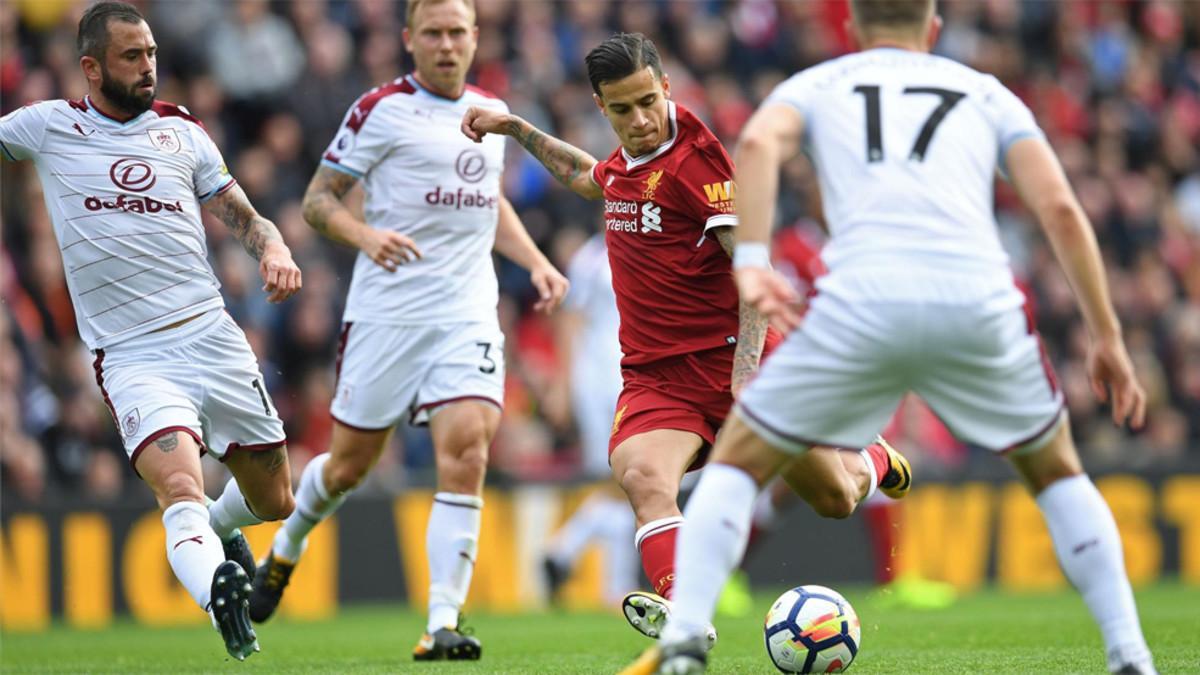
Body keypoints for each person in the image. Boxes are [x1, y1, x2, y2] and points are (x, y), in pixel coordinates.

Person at [622, 1, 1157, 673]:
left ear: (852, 30)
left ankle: (683, 645)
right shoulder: (987, 94)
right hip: (977, 302)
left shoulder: (819, 85)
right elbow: (1059, 208)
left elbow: (756, 146)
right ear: (932, 31)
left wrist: (753, 262)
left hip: (863, 301)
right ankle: (1131, 656)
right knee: (1058, 475)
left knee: (735, 464)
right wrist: (1106, 333)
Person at [462, 32, 911, 648]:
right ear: (601, 106)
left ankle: (876, 458)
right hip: (659, 378)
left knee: (836, 497)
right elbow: (588, 176)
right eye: (622, 110)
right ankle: (687, 624)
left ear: (666, 86)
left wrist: (748, 373)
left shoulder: (699, 160)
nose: (640, 120)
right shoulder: (626, 163)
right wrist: (516, 128)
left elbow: (754, 268)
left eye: (649, 101)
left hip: (737, 363)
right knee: (643, 477)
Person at [247, 0, 568, 663]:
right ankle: (289, 542)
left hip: (466, 312)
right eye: (434, 33)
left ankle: (442, 621)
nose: (447, 44)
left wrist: (536, 261)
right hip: (388, 313)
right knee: (348, 466)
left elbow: (491, 201)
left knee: (469, 446)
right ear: (409, 40)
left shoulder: (492, 113)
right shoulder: (378, 110)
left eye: (458, 32)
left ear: (476, 38)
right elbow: (316, 200)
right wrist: (367, 235)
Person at [0, 1, 302, 661]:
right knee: (180, 485)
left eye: (153, 55)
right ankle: (215, 590)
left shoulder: (182, 132)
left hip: (213, 335)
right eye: (132, 57)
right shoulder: (47, 127)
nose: (148, 69)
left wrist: (273, 248)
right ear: (90, 67)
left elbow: (247, 216)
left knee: (275, 497)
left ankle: (222, 529)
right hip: (134, 355)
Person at [541, 232, 639, 608]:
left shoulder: (642, 243)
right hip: (604, 382)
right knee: (627, 480)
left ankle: (564, 550)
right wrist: (563, 386)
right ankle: (615, 586)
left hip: (626, 376)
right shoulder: (591, 256)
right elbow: (570, 321)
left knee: (626, 482)